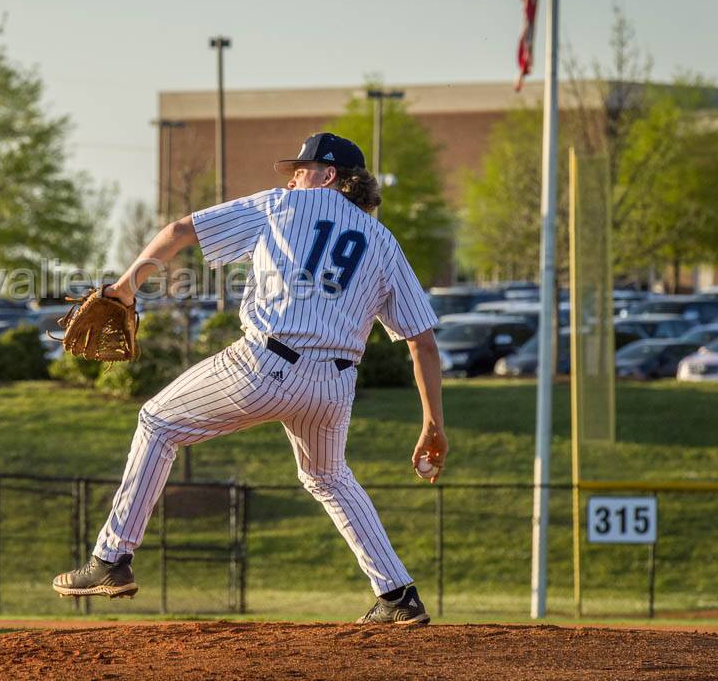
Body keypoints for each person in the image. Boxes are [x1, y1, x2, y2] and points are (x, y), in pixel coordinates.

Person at [51, 132, 448, 625]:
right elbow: (422, 341)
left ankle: (111, 560)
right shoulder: (384, 242)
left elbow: (179, 230)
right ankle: (398, 596)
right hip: (334, 386)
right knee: (327, 476)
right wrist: (433, 422)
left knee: (157, 422)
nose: (293, 177)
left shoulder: (283, 206)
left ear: (329, 177)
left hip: (266, 365)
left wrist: (123, 289)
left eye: (302, 169)